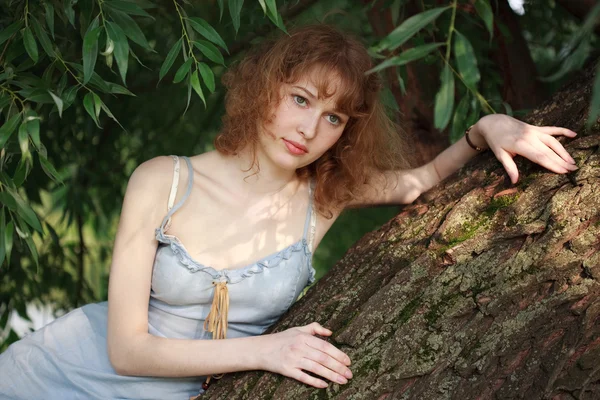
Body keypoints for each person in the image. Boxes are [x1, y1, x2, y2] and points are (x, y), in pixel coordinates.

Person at [0, 24, 578, 400]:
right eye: (301, 99)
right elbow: (126, 351)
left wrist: (488, 128)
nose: (309, 128)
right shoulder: (163, 180)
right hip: (60, 378)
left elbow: (420, 183)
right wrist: (267, 350)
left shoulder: (324, 194)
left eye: (333, 118)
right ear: (263, 89)